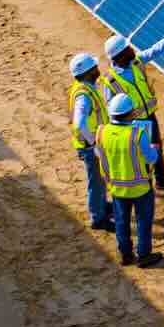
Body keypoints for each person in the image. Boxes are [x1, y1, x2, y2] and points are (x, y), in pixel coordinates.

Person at [101, 16, 164, 192]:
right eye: (127, 48)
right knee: (138, 153)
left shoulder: (137, 62)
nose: (131, 48)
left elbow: (156, 50)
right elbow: (110, 108)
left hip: (149, 116)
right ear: (118, 56)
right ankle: (141, 182)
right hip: (131, 124)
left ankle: (161, 180)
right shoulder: (110, 81)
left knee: (155, 147)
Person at [94, 93, 163, 268]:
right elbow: (152, 159)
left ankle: (125, 254)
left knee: (121, 222)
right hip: (140, 188)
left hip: (117, 188)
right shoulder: (137, 134)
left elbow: (99, 154)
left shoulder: (101, 132)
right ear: (130, 113)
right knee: (143, 222)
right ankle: (144, 255)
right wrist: (154, 148)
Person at [68, 53, 113, 232]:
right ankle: (97, 217)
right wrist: (94, 143)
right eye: (94, 67)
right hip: (90, 147)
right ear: (88, 72)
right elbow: (80, 123)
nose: (97, 69)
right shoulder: (83, 95)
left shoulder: (84, 87)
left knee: (100, 179)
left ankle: (101, 206)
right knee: (96, 182)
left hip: (89, 145)